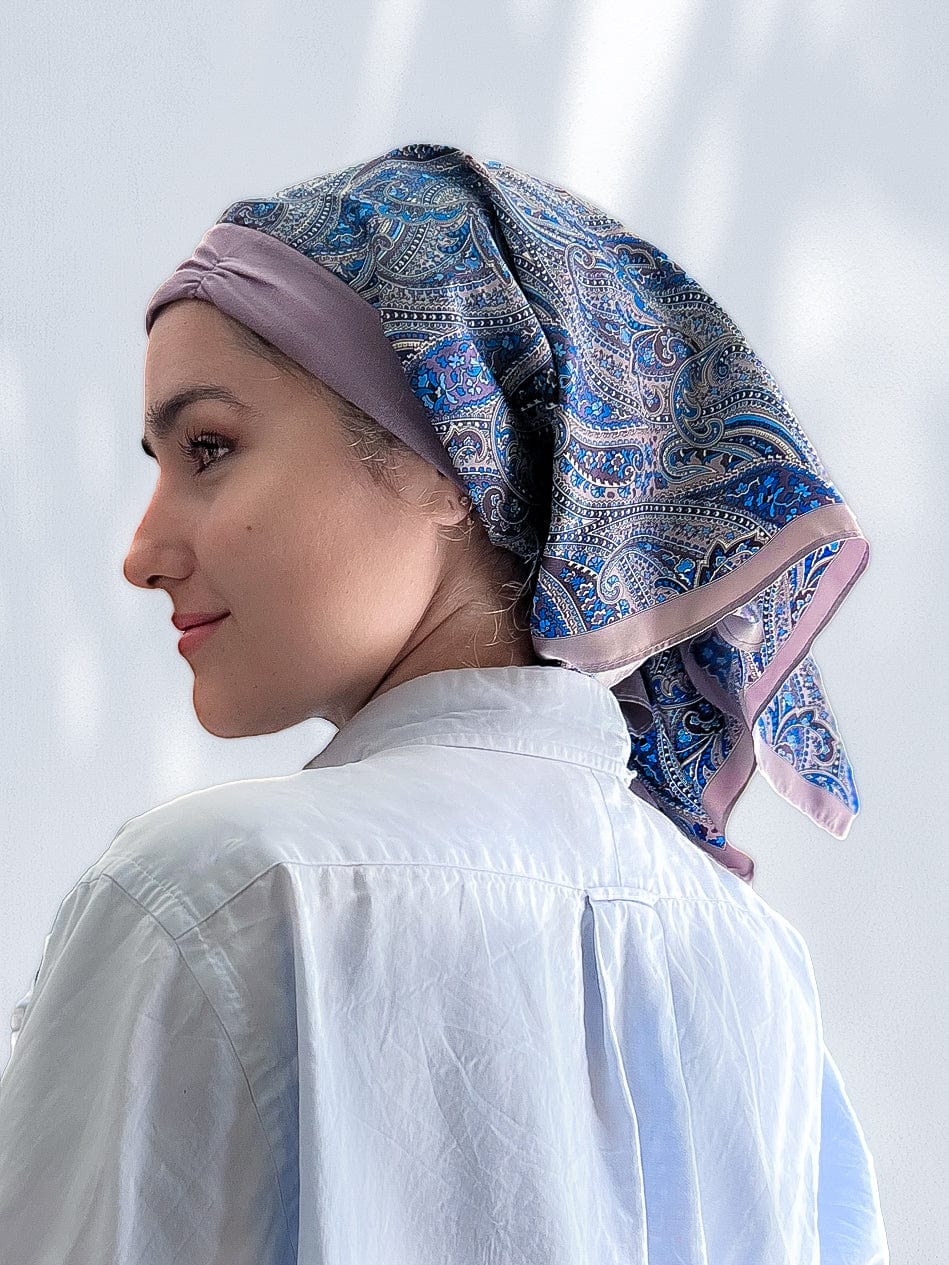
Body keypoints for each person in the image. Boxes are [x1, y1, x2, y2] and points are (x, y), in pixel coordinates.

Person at [0, 144, 888, 1262]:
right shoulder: (749, 962)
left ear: (447, 451)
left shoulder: (226, 892)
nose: (141, 552)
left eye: (209, 448)